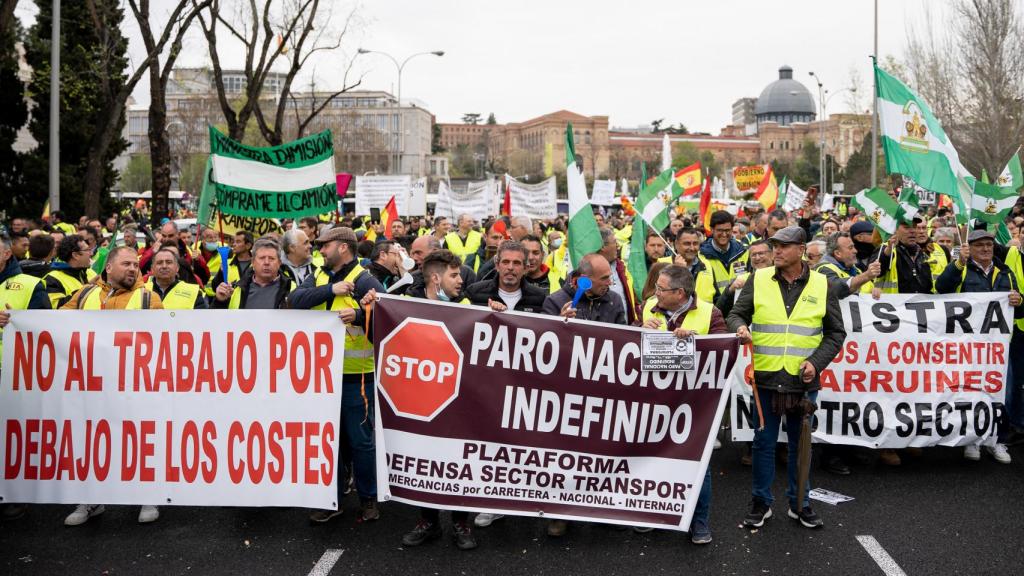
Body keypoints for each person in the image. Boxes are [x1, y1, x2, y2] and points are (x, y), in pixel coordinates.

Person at [728, 226, 846, 530]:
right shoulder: (759, 279)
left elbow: (835, 333)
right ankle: (761, 503)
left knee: (800, 446)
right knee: (763, 444)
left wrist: (816, 363)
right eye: (774, 246)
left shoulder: (823, 284)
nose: (776, 251)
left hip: (803, 383)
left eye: (783, 246)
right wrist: (740, 327)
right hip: (765, 379)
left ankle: (800, 504)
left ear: (801, 249)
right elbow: (735, 313)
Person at [61, 246, 164, 526]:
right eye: (126, 264)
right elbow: (54, 324)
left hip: (134, 384)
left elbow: (164, 340)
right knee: (93, 440)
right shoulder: (85, 294)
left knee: (139, 438)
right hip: (91, 383)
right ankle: (91, 500)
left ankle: (148, 495)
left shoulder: (147, 298)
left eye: (136, 265)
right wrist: (16, 320)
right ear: (108, 267)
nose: (133, 269)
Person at [289, 227, 385, 524]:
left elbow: (385, 321)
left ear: (343, 248)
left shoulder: (366, 280)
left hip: (356, 376)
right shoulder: (318, 275)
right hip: (321, 377)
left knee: (361, 442)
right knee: (328, 441)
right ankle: (332, 499)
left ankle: (368, 499)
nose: (319, 250)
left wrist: (357, 314)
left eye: (324, 245)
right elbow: (295, 301)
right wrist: (332, 290)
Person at [639, 265, 725, 544]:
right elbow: (627, 345)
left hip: (694, 403)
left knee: (697, 464)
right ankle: (653, 513)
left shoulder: (709, 313)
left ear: (679, 293)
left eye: (662, 289)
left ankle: (698, 522)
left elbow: (724, 351)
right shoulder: (649, 307)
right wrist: (638, 329)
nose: (656, 293)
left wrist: (696, 342)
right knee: (652, 458)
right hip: (655, 399)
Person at [399, 250, 478, 550]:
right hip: (422, 399)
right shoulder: (406, 303)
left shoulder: (468, 306)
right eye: (454, 275)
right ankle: (428, 522)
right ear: (435, 277)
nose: (461, 280)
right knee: (424, 461)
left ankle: (461, 522)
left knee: (457, 461)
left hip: (459, 399)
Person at [936, 229, 1022, 463]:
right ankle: (972, 439)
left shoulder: (1005, 272)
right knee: (971, 391)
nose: (986, 249)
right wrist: (958, 264)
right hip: (968, 347)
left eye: (989, 245)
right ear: (970, 247)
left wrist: (1019, 300)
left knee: (1002, 394)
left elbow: (1018, 309)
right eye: (980, 245)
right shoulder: (962, 270)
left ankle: (998, 440)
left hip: (999, 348)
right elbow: (941, 289)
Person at [465, 240, 547, 314]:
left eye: (516, 263)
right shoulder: (474, 292)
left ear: (525, 268)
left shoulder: (540, 297)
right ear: (497, 266)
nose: (510, 267)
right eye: (505, 262)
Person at [543, 253, 625, 325]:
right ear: (584, 279)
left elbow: (622, 337)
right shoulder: (553, 302)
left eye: (609, 276)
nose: (609, 283)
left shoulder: (614, 300)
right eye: (604, 278)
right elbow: (544, 335)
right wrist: (559, 322)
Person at [212, 238, 294, 310]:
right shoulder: (235, 289)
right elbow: (215, 322)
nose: (266, 262)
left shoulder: (292, 289)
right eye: (262, 258)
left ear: (279, 263)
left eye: (271, 258)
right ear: (253, 262)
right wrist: (220, 301)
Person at [660, 227, 716, 303]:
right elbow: (655, 298)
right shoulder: (661, 265)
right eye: (687, 244)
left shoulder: (706, 264)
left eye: (695, 243)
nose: (692, 248)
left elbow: (716, 298)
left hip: (705, 314)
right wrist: (678, 271)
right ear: (676, 244)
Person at [700, 211, 748, 296]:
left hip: (740, 306)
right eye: (720, 230)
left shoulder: (743, 251)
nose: (724, 234)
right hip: (715, 307)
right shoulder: (701, 255)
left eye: (727, 230)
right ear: (712, 230)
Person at [598, 226, 638, 324]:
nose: (618, 246)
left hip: (625, 330)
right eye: (615, 242)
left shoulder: (621, 268)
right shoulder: (588, 271)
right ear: (603, 246)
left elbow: (631, 298)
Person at [44, 235, 97, 309]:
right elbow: (56, 307)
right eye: (87, 250)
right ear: (75, 255)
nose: (91, 254)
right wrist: (86, 289)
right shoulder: (52, 279)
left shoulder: (91, 272)